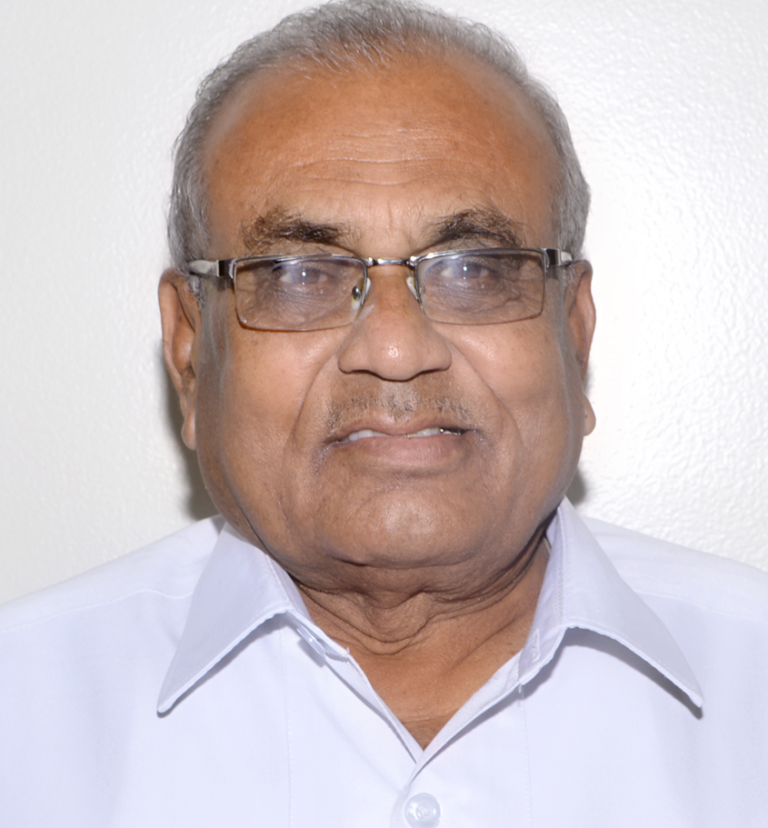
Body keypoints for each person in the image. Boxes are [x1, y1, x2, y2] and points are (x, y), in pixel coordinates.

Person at [1, 1, 767, 825]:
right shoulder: (23, 714)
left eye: (474, 269)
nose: (396, 348)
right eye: (299, 274)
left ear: (573, 337)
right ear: (190, 351)